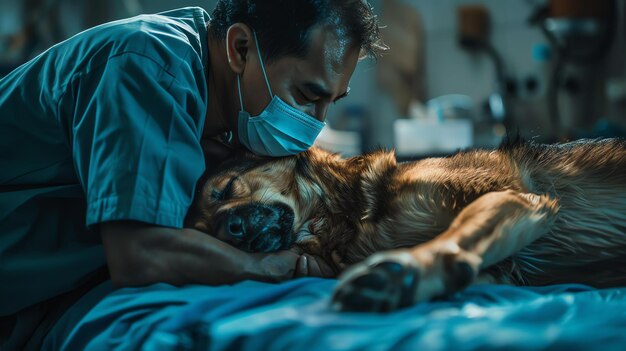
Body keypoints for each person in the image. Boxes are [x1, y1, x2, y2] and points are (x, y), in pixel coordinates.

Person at [0, 0, 386, 349]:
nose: (315, 124)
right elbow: (140, 253)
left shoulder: (230, 120)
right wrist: (266, 270)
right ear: (240, 49)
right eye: (305, 95)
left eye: (329, 102)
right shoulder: (149, 66)